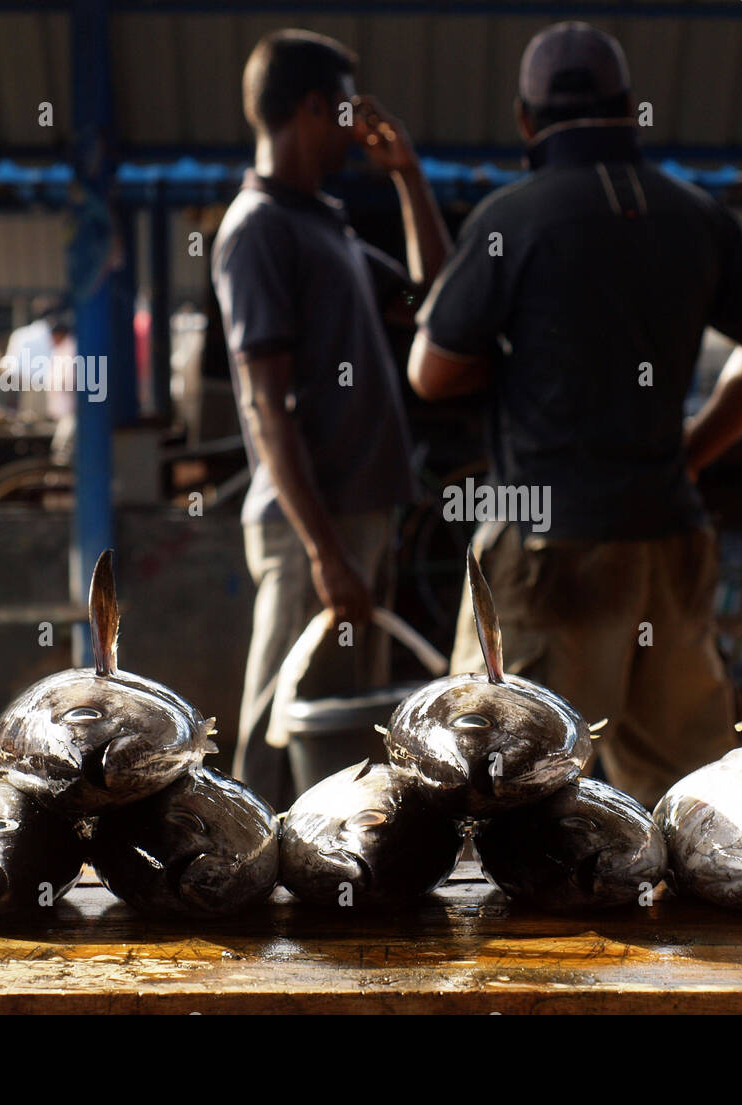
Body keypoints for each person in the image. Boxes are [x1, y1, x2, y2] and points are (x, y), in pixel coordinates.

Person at [409, 22, 742, 809]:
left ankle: (520, 935)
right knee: (692, 792)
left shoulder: (511, 219)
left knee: (504, 777)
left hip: (554, 545)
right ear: (630, 108)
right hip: (669, 530)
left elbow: (430, 370)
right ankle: (700, 926)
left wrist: (514, 363)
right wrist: (692, 452)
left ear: (525, 123)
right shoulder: (695, 214)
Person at [212, 29, 451, 811]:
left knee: (347, 718)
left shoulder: (328, 222)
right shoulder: (256, 230)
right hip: (309, 526)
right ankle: (241, 872)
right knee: (277, 719)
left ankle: (332, 872)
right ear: (313, 107)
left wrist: (410, 177)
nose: (356, 125)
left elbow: (434, 299)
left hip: (361, 515)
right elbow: (265, 404)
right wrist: (323, 551)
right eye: (346, 108)